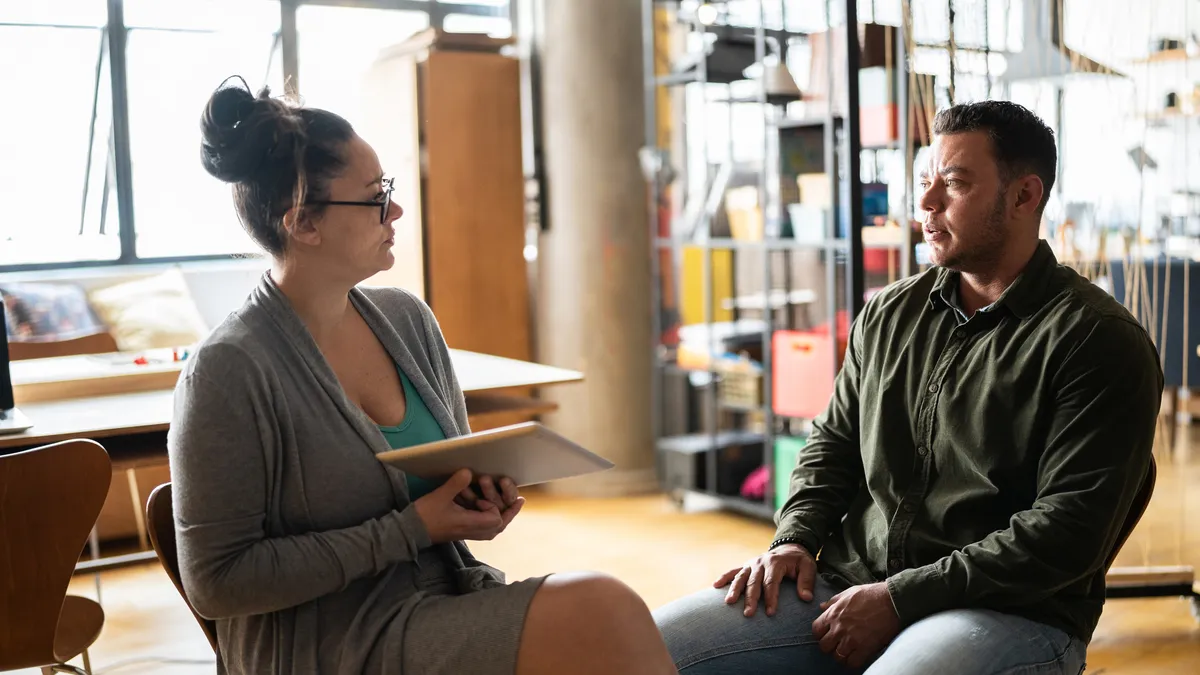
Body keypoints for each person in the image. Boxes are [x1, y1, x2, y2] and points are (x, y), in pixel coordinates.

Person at [168, 76, 678, 675]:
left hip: (440, 603)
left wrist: (475, 501)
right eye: (376, 195)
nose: (397, 209)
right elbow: (217, 582)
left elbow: (448, 478)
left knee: (599, 619)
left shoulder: (406, 319)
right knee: (600, 607)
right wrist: (410, 528)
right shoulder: (228, 371)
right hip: (325, 645)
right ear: (304, 223)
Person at [652, 100, 1163, 674]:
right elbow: (832, 446)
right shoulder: (890, 312)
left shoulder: (1097, 340)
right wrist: (793, 539)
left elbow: (1066, 533)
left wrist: (901, 599)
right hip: (851, 584)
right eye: (926, 182)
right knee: (649, 648)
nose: (926, 203)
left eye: (954, 184)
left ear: (1024, 196)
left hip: (1009, 612)